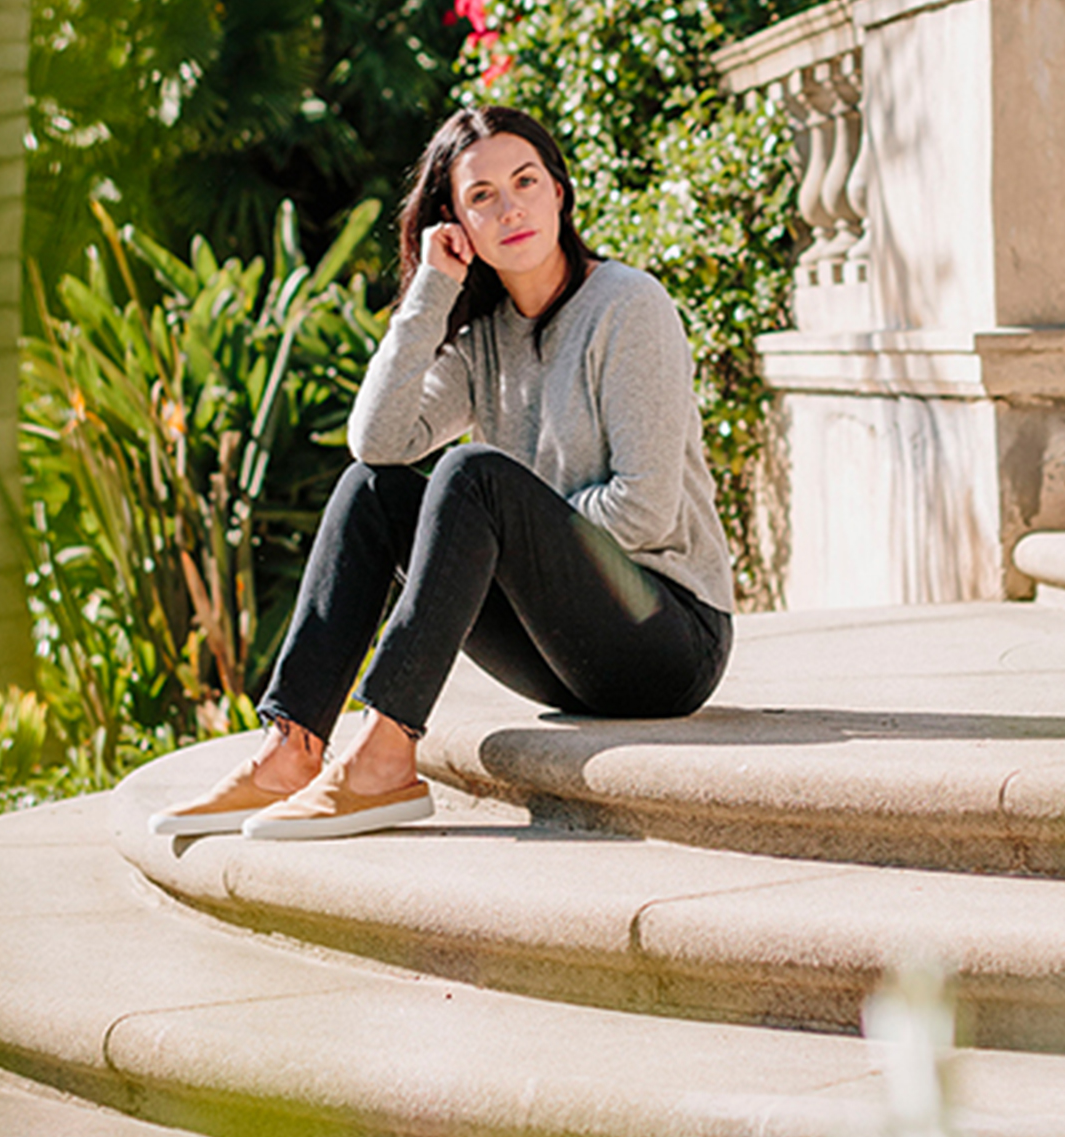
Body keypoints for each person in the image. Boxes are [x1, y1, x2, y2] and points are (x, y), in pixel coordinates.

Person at [150, 104, 736, 841]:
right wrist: (431, 291)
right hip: (562, 651)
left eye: (526, 181)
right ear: (454, 223)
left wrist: (521, 531)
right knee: (378, 488)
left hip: (668, 637)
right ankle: (291, 748)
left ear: (560, 192)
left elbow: (646, 509)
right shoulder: (482, 338)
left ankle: (386, 757)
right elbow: (377, 441)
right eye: (482, 195)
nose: (510, 206)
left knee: (472, 476)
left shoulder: (627, 307)